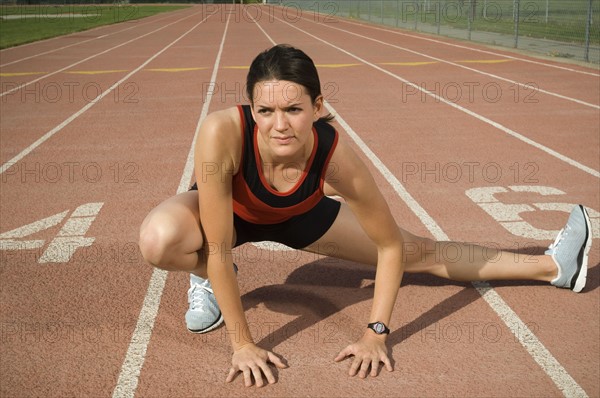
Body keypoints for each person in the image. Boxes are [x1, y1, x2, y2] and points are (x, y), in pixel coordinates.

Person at [138, 44, 593, 388]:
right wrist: (242, 344)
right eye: (266, 111)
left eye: (295, 109)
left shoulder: (336, 159)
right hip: (228, 217)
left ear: (318, 108)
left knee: (419, 252)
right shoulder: (221, 133)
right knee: (160, 239)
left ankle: (552, 266)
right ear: (250, 109)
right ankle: (209, 279)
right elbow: (218, 244)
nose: (280, 125)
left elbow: (390, 245)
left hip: (299, 215)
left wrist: (376, 332)